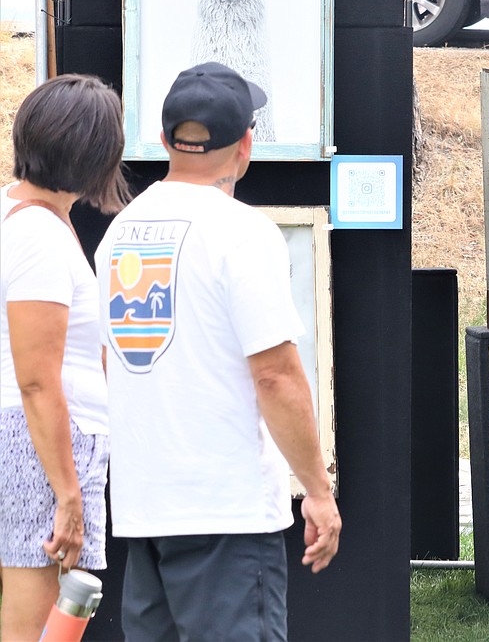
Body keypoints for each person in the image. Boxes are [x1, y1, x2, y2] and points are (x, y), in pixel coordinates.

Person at [95, 62, 341, 640]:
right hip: (225, 513)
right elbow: (276, 377)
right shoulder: (242, 233)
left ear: (163, 140)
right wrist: (318, 491)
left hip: (144, 508)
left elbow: (111, 364)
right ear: (246, 145)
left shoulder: (119, 233)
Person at [1, 74, 130, 640]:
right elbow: (36, 380)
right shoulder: (40, 237)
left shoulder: (27, 219)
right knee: (38, 629)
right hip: (42, 447)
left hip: (37, 442)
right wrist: (68, 493)